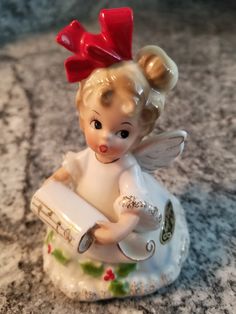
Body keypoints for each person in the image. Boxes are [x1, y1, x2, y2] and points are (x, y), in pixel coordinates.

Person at [38, 8, 189, 300]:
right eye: (96, 124)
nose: (105, 139)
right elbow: (71, 169)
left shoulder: (127, 168)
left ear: (139, 134)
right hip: (81, 219)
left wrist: (120, 229)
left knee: (123, 250)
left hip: (110, 230)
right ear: (82, 117)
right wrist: (56, 180)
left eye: (122, 133)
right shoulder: (86, 157)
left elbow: (134, 203)